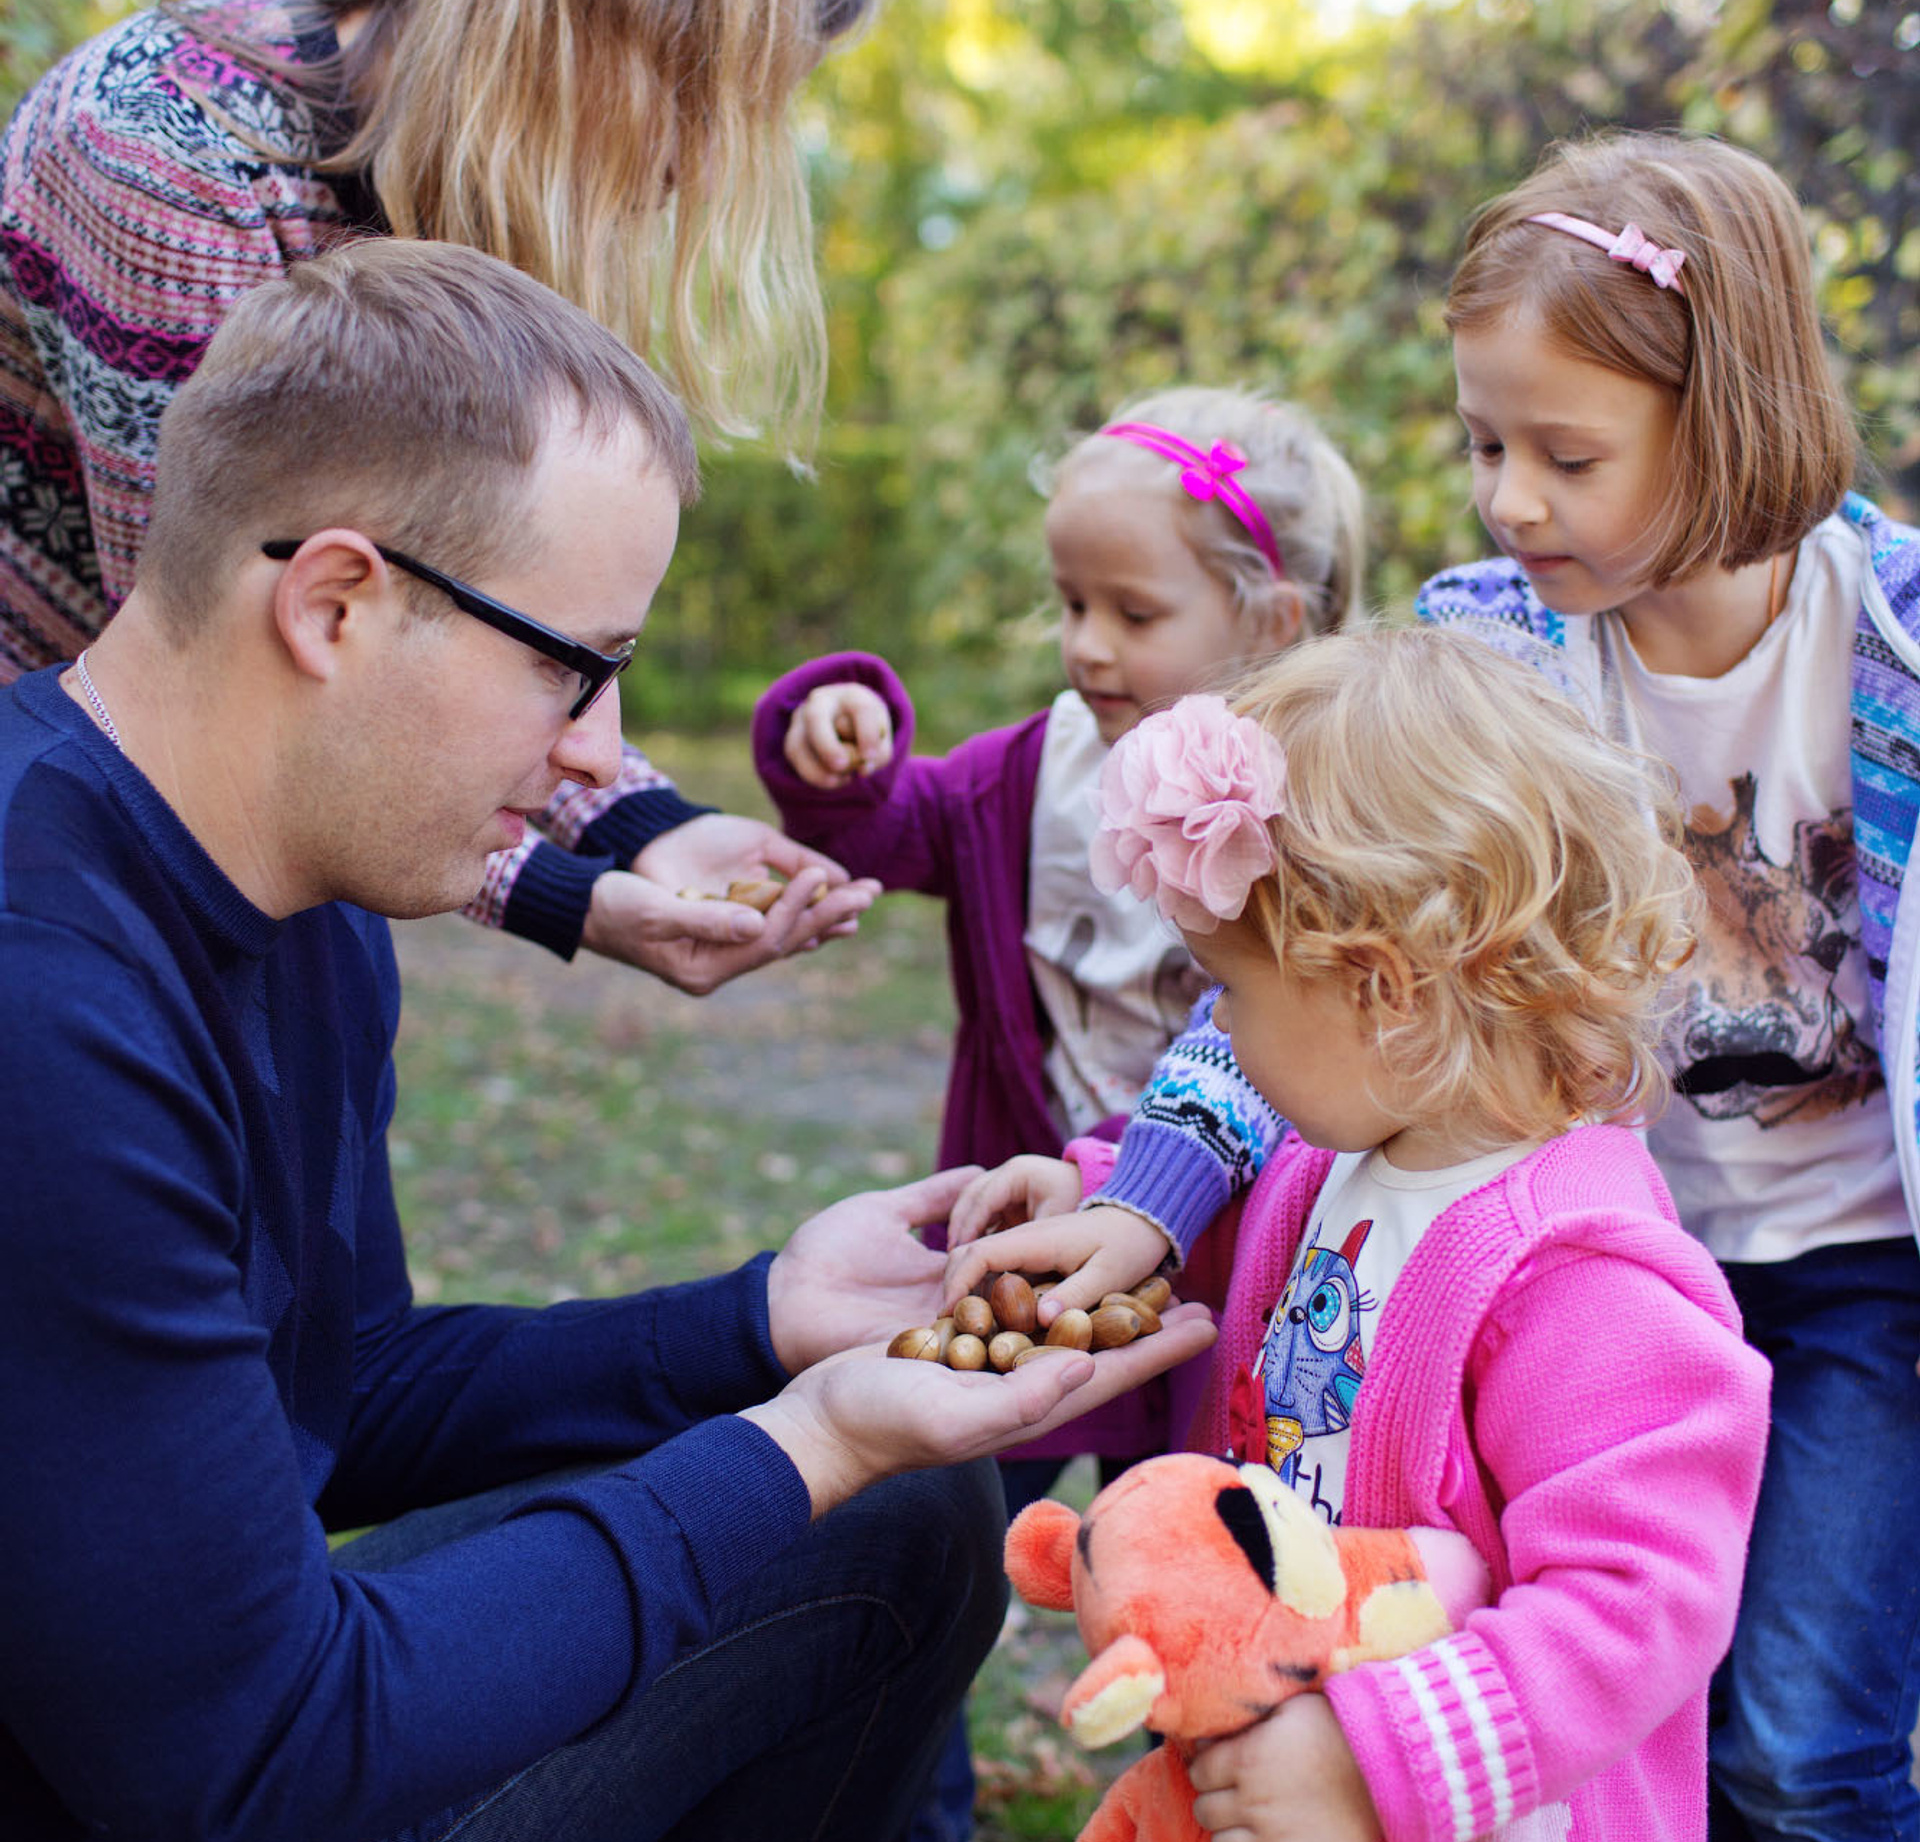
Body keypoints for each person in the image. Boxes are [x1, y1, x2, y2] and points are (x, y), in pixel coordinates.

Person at [0, 236, 1218, 1842]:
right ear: (338, 603)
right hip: (200, 1772)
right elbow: (260, 1761)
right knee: (839, 1487)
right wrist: (807, 1439)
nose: (603, 763)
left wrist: (765, 1324)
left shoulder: (308, 893)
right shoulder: (47, 1004)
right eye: (574, 671)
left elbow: (345, 1385)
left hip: (229, 1721)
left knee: (903, 1518)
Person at [960, 130, 1920, 1842]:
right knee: (1569, 1664)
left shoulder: (1900, 640)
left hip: (1860, 1265)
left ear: (1733, 422)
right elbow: (1309, 957)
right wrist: (1154, 1198)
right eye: (1487, 442)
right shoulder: (1492, 647)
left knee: (1794, 1733)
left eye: (1567, 453)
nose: (1508, 498)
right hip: (1576, 1248)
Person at [951, 626, 1771, 1840]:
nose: (1212, 1029)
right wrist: (1108, 1210)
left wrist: (1378, 1759)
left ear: (1384, 989)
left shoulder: (1582, 1274)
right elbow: (1246, 1244)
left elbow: (1642, 1600)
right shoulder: (1334, 1158)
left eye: (1230, 990)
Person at [0, 0, 875, 992]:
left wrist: (643, 826)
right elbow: (250, 685)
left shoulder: (474, 203)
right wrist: (568, 892)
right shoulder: (170, 140)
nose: (700, 170)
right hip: (62, 878)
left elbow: (462, 618)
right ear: (609, 9)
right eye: (714, 98)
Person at [753, 389, 1361, 1837]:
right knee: (929, 1515)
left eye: (1132, 611)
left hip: (1232, 1299)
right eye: (1070, 602)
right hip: (1029, 1258)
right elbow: (882, 825)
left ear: (1268, 621)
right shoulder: (1029, 778)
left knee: (1219, 1565)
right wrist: (829, 742)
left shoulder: (1331, 802)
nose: (1087, 643)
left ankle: (1216, 1797)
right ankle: (912, 1797)